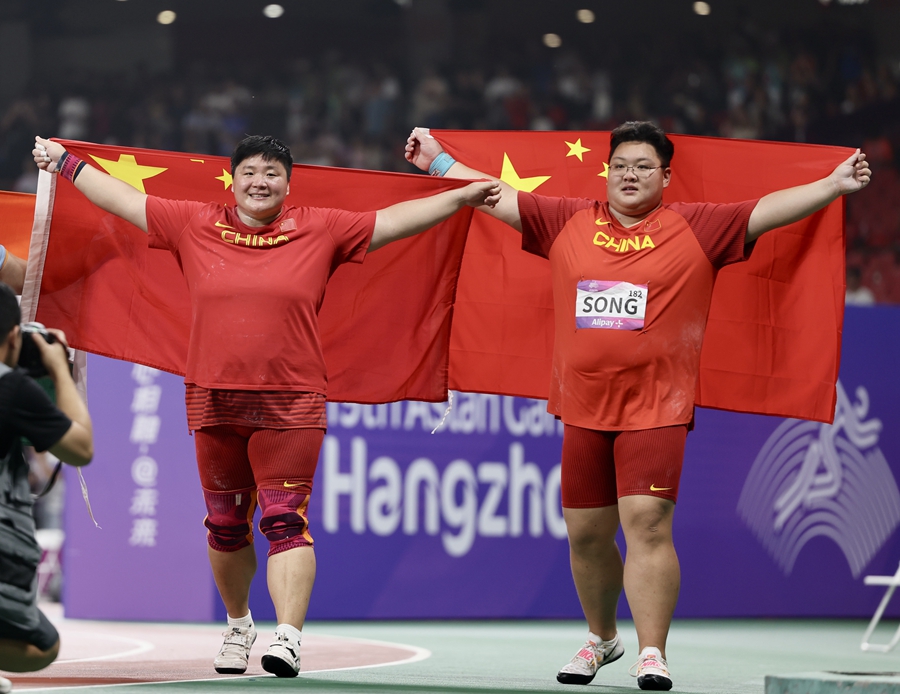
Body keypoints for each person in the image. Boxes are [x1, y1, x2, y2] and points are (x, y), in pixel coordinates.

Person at [405, 121, 871, 692]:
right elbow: (493, 194)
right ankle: (603, 639)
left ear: (666, 176)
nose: (630, 175)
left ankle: (652, 652)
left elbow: (766, 211)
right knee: (585, 534)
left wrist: (834, 184)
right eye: (620, 165)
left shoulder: (697, 226)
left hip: (657, 405)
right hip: (581, 405)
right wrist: (437, 162)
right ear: (607, 172)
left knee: (647, 523)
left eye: (644, 166)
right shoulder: (567, 219)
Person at [32, 133, 500, 679]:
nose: (260, 182)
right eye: (250, 172)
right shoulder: (193, 223)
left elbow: (396, 220)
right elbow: (122, 199)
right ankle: (238, 627)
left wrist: (460, 194)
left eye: (272, 173)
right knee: (225, 525)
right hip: (213, 398)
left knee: (283, 519)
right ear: (232, 181)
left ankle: (289, 638)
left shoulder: (321, 228)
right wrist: (65, 162)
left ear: (288, 184)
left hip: (291, 400)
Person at [0, 282, 93, 693]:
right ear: (13, 336)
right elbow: (80, 448)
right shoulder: (11, 387)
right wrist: (58, 370)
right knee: (41, 645)